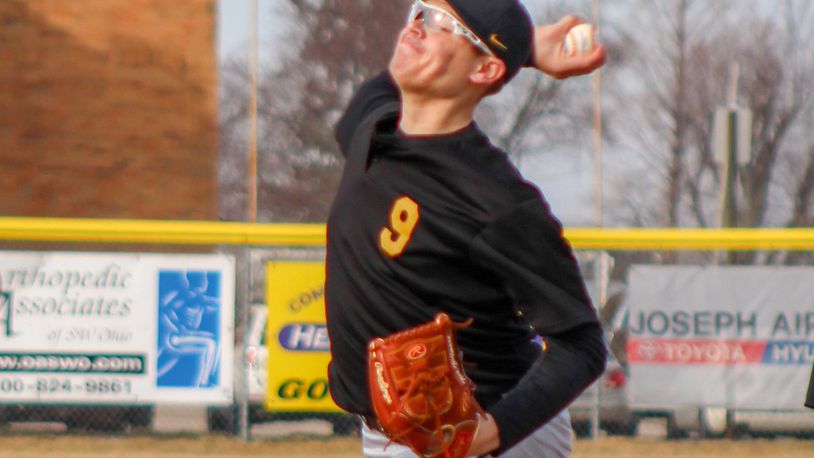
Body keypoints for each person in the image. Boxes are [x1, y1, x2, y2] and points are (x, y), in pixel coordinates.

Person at [324, 0, 608, 456]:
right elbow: (378, 89)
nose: (416, 27)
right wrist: (528, 48)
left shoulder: (494, 200)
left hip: (487, 430)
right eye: (418, 11)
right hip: (394, 433)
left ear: (484, 70)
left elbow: (582, 344)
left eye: (440, 23)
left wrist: (489, 433)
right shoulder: (372, 128)